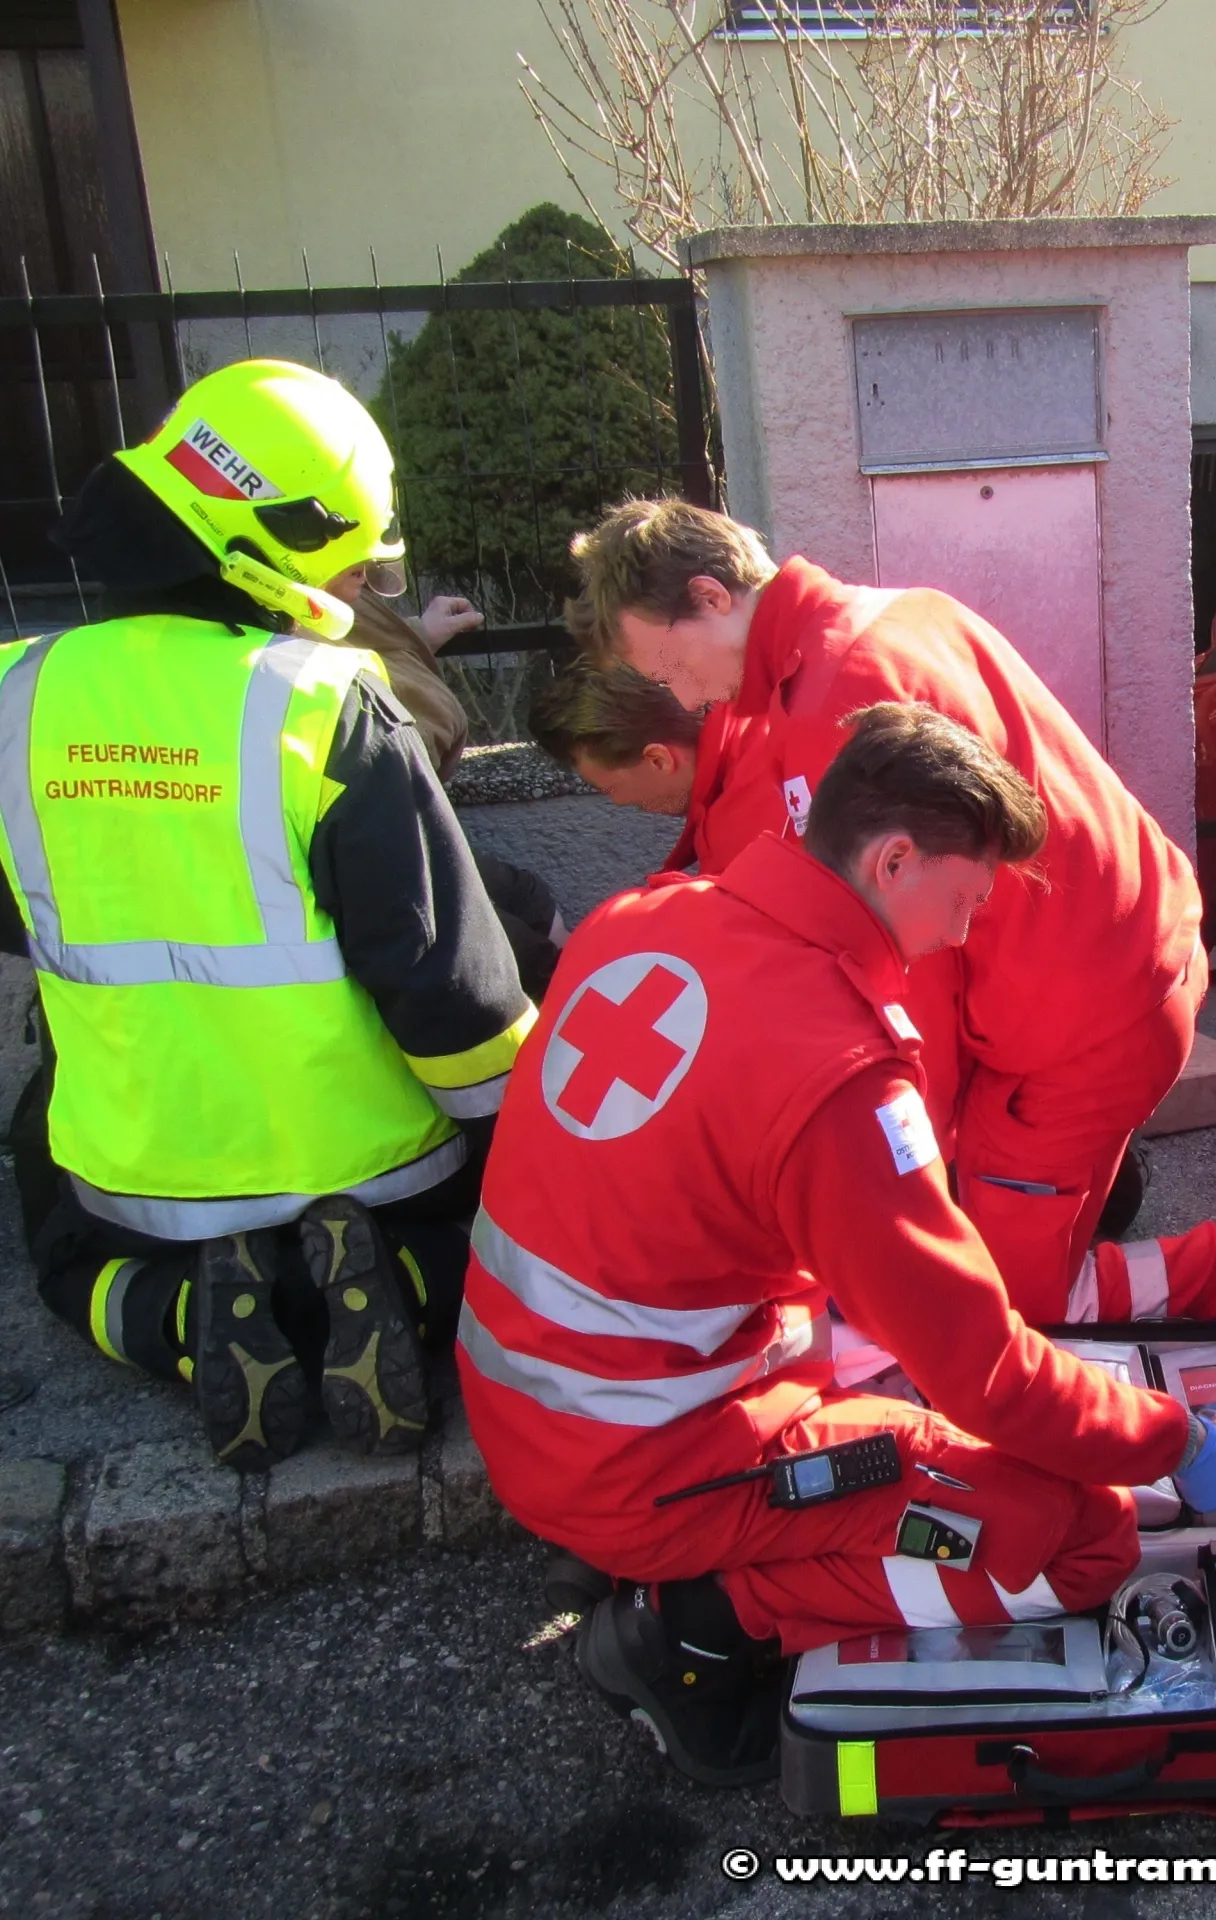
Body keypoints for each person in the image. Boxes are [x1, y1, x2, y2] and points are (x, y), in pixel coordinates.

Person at [457, 703, 1216, 1786]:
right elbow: (988, 1376)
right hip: (651, 1461)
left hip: (549, 1410)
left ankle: (668, 1557)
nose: (963, 932)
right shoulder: (834, 1071)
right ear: (892, 860)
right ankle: (696, 1624)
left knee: (916, 1353)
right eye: (964, 898)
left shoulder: (645, 914)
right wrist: (1171, 1443)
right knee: (1074, 1535)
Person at [562, 501, 1216, 1393]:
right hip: (1107, 967)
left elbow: (913, 968)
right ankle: (1109, 1221)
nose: (682, 697)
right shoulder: (887, 619)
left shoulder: (832, 706)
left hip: (1079, 1020)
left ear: (709, 596)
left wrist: (899, 1167)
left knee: (995, 1307)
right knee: (987, 1263)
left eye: (668, 665)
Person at [0, 358, 537, 1472]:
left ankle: (182, 1318)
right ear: (285, 541)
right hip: (381, 1176)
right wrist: (524, 1165)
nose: (357, 581)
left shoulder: (16, 694)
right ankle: (403, 1284)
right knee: (487, 1245)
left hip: (136, 1185)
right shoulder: (326, 702)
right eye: (351, 557)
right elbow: (448, 988)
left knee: (60, 1249)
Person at [318, 569, 567, 1001]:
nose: (365, 567)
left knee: (525, 898)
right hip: (368, 833)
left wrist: (415, 636)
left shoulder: (331, 595)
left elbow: (361, 641)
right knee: (517, 960)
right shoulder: (279, 631)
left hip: (410, 810)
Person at [527, 657, 774, 874]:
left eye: (611, 789)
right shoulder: (759, 720)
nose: (619, 802)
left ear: (659, 760)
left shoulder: (744, 837)